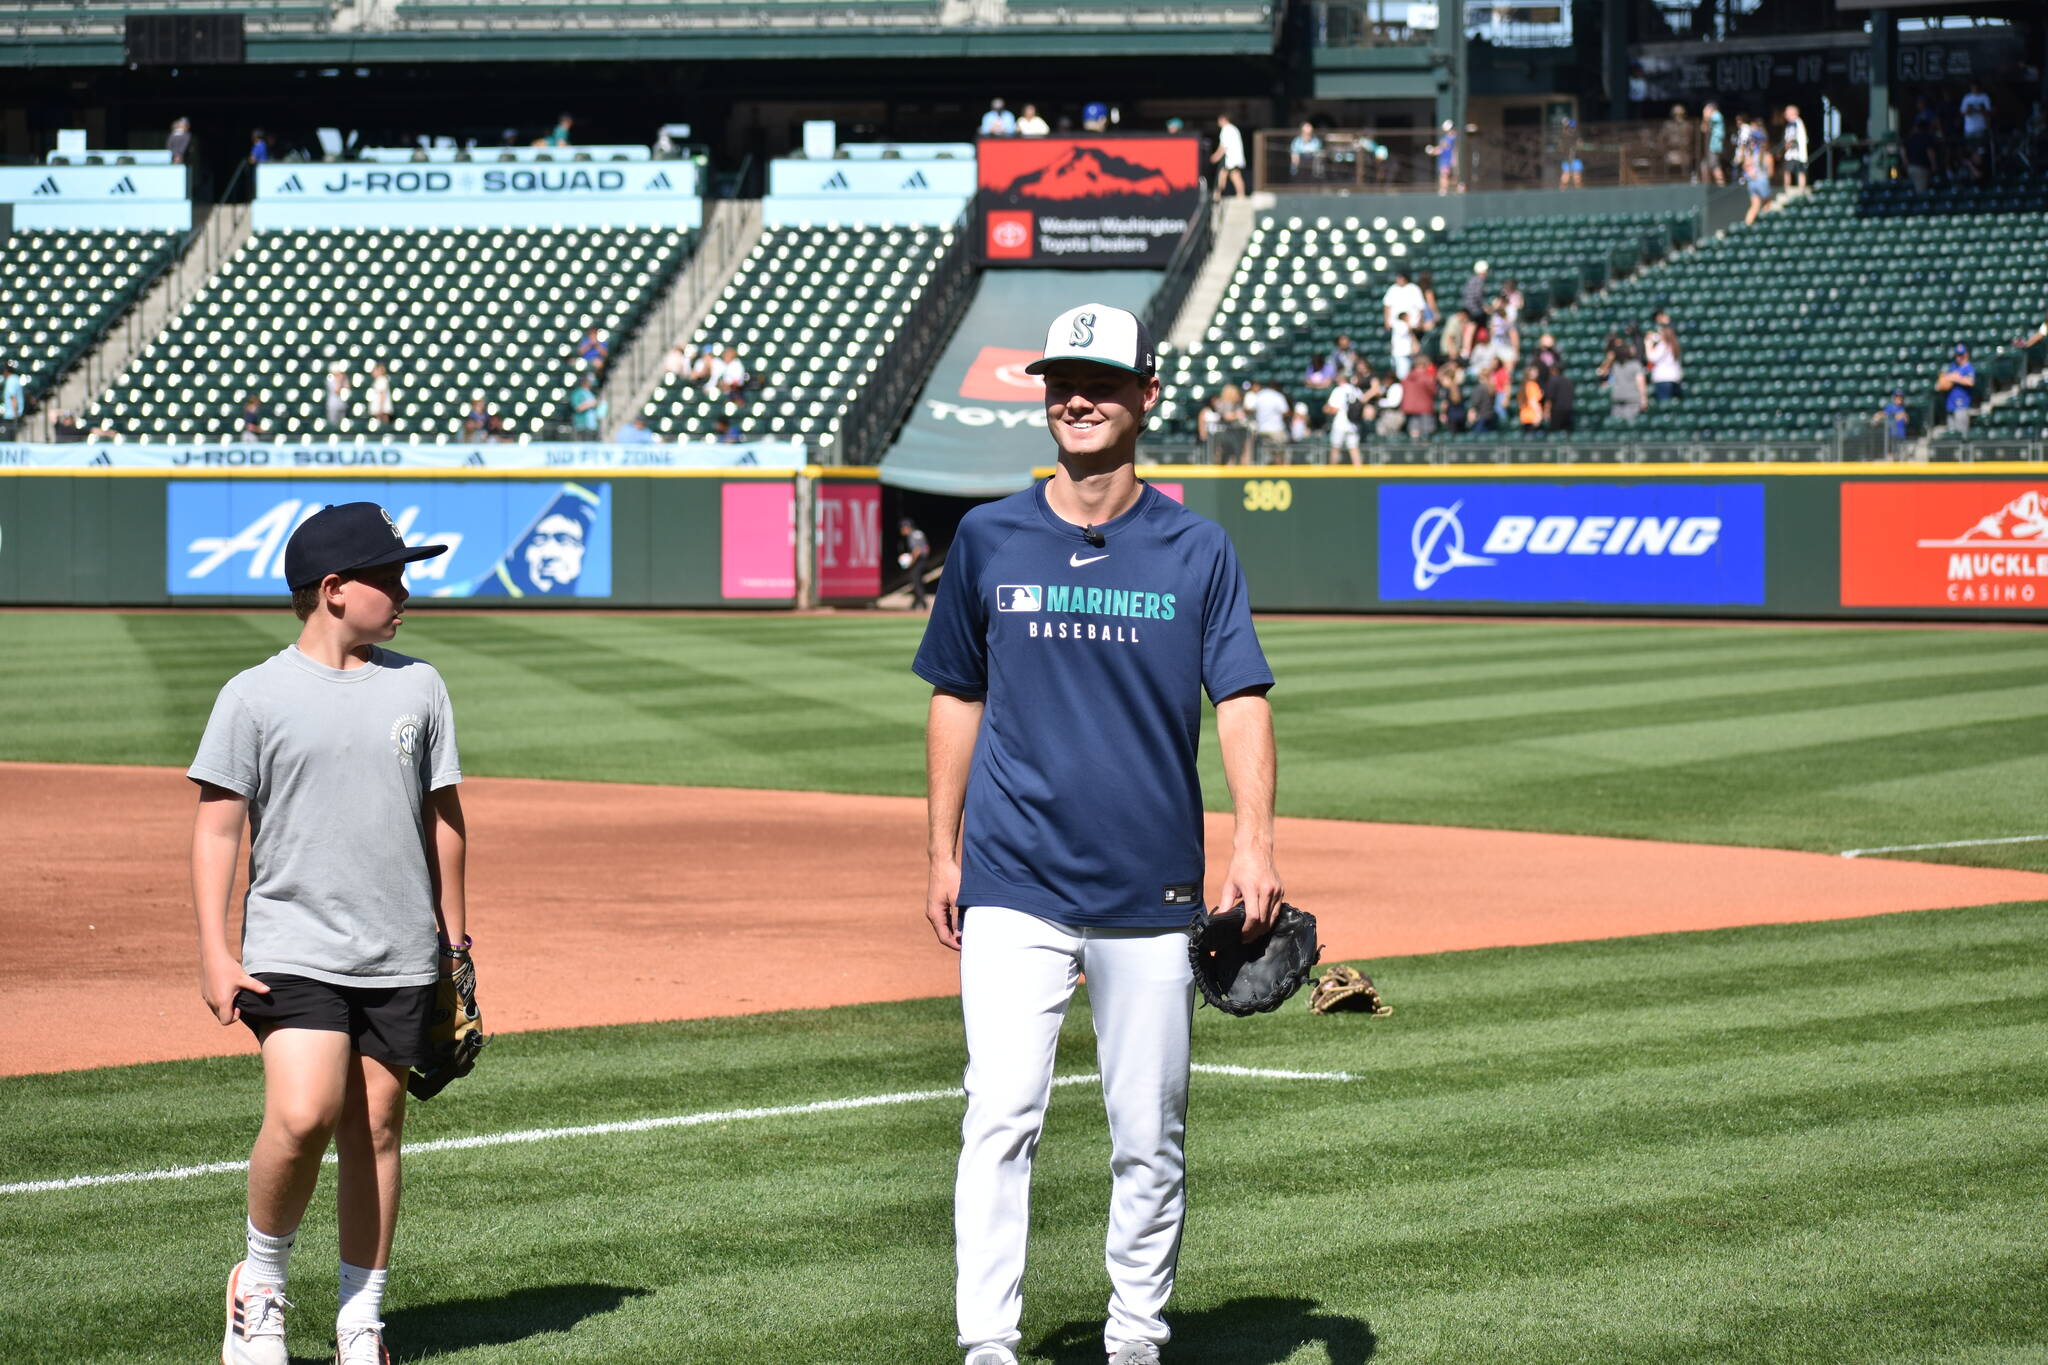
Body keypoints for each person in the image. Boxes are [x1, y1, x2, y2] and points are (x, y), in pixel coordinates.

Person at [914, 300, 1279, 1365]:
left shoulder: (1196, 547)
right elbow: (954, 694)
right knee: (999, 1116)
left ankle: (1135, 1338)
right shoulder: (988, 536)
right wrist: (941, 849)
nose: (1076, 399)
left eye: (1100, 382)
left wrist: (1252, 842)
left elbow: (1241, 697)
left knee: (1149, 1136)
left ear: (1144, 395)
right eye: (1061, 381)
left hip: (1150, 891)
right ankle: (987, 1344)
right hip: (1013, 878)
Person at [192, 501, 468, 1365]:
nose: (405, 592)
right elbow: (217, 828)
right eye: (391, 577)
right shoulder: (253, 694)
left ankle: (361, 1319)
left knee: (377, 1124)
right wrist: (214, 948)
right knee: (305, 1110)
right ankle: (260, 1286)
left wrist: (456, 948)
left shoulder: (419, 685)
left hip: (399, 946)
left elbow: (444, 818)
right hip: (293, 942)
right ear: (335, 589)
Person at [1324, 368, 1364, 465]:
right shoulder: (1356, 390)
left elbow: (1334, 409)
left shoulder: (1339, 390)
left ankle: (1332, 472)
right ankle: (1359, 472)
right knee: (1354, 449)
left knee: (1335, 449)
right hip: (1353, 424)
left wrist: (1326, 408)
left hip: (1340, 423)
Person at [1245, 377, 1289, 462]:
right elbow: (1286, 412)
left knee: (1266, 453)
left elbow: (1249, 409)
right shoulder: (1278, 396)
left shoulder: (1260, 395)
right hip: (1276, 430)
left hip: (1262, 430)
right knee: (1280, 453)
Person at [1644, 312, 1683, 401]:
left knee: (1665, 404)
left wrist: (1648, 344)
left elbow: (1652, 358)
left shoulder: (1664, 345)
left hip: (1663, 379)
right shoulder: (1674, 343)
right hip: (1675, 378)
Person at [1939, 344, 1975, 436]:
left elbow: (1970, 382)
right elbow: (1943, 378)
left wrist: (1955, 378)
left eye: (1961, 355)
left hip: (1962, 404)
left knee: (1961, 434)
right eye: (1958, 355)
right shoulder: (1953, 366)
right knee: (1951, 436)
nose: (1959, 358)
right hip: (1950, 404)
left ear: (1966, 354)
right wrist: (1951, 377)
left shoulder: (1969, 368)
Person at [1400, 354, 1438, 438]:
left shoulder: (1407, 377)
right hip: (1424, 409)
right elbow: (1434, 391)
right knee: (1426, 435)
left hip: (1410, 409)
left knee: (1414, 433)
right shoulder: (1426, 377)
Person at [1607, 343, 1647, 422]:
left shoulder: (1614, 365)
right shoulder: (1635, 365)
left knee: (1617, 424)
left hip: (1618, 397)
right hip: (1632, 399)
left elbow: (1610, 380)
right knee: (1630, 424)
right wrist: (1643, 398)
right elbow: (1641, 383)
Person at [899, 516, 930, 610]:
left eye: (902, 528)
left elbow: (917, 551)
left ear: (907, 527)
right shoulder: (919, 533)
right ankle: (916, 603)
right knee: (917, 581)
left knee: (916, 581)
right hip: (923, 560)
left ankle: (923, 603)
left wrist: (911, 562)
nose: (901, 530)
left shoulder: (912, 535)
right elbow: (927, 547)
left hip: (918, 561)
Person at [1212, 114, 1246, 198]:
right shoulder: (1234, 129)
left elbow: (1223, 146)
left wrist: (1216, 156)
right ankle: (1240, 194)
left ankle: (1218, 194)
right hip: (1234, 158)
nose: (1218, 122)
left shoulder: (1226, 129)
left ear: (1224, 119)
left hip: (1231, 158)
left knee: (1225, 174)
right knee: (1232, 175)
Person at [1781, 105, 1808, 192]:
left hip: (1796, 153)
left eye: (1787, 113)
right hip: (1793, 153)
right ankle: (1789, 189)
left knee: (1798, 171)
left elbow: (1792, 138)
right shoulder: (1791, 124)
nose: (1785, 115)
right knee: (1791, 171)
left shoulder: (1795, 123)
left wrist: (1787, 146)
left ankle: (1799, 189)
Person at [1429, 120, 1459, 194]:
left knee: (1448, 177)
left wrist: (1433, 150)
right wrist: (1433, 151)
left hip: (1449, 161)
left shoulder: (1452, 138)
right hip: (1446, 161)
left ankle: (1445, 190)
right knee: (1445, 176)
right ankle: (1444, 190)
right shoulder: (1447, 139)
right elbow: (1440, 150)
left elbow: (1441, 148)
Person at [569, 374, 603, 440]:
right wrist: (590, 404)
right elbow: (577, 408)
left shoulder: (590, 393)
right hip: (582, 426)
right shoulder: (578, 393)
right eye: (589, 381)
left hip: (593, 426)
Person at [1960, 83, 1992, 150]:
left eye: (1976, 87)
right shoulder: (1967, 97)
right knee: (1970, 149)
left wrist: (1978, 110)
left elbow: (1989, 112)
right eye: (1973, 87)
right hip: (1969, 129)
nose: (1975, 89)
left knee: (1980, 149)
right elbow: (1963, 113)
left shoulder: (1984, 97)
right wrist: (1969, 110)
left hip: (1981, 127)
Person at [1544, 362, 1575, 432]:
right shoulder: (1569, 381)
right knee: (1566, 433)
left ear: (1554, 370)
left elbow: (1549, 397)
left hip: (1557, 411)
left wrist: (1546, 411)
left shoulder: (1553, 380)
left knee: (1555, 433)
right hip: (1568, 410)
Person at [1700, 103, 1725, 186]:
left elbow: (1707, 119)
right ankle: (1709, 185)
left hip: (1715, 146)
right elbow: (1704, 129)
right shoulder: (1714, 117)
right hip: (1712, 146)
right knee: (1706, 165)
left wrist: (1705, 115)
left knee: (1715, 166)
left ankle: (1721, 185)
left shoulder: (1717, 115)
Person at [1518, 362, 1545, 431]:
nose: (1537, 373)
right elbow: (1532, 401)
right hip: (1533, 417)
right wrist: (1539, 415)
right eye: (1535, 372)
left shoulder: (1524, 385)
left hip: (1524, 417)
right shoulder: (1532, 385)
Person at [366, 363, 394, 430]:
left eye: (374, 371)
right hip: (381, 406)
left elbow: (382, 394)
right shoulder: (380, 380)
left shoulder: (381, 380)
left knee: (383, 422)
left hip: (381, 407)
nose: (373, 373)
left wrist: (381, 407)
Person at [1557, 117, 1583, 190]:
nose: (1572, 129)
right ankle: (1562, 192)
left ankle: (1579, 193)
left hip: (1575, 158)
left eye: (1573, 128)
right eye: (1570, 128)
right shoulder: (1563, 136)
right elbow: (1560, 147)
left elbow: (1580, 146)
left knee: (1577, 177)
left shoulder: (1577, 136)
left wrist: (1577, 144)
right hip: (1567, 158)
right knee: (1565, 177)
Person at [0, 361, 24, 439]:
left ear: (6, 371)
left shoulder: (11, 381)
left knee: (7, 439)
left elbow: (13, 398)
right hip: (14, 415)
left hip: (11, 416)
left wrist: (15, 414)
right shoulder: (16, 378)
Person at [324, 363, 351, 429]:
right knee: (333, 424)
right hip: (333, 405)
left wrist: (343, 379)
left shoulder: (344, 379)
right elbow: (337, 391)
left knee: (342, 425)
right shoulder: (330, 379)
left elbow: (347, 388)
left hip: (342, 404)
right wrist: (339, 380)